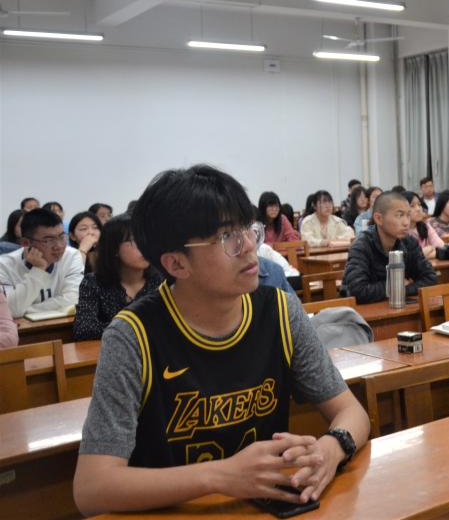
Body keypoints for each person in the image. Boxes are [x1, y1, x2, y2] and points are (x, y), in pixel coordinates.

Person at [72, 165, 370, 515]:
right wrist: (221, 476)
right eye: (227, 237)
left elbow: (351, 412)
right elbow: (92, 487)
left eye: (248, 229)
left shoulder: (279, 310)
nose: (249, 246)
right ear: (176, 264)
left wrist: (331, 449)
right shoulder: (133, 336)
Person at [73, 214, 164, 341]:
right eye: (134, 241)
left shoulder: (160, 281)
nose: (144, 247)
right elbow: (84, 329)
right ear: (114, 248)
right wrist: (138, 327)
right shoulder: (93, 282)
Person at [343, 192, 438, 304]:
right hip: (366, 311)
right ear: (379, 219)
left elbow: (430, 278)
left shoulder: (409, 243)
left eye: (408, 215)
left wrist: (401, 290)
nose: (406, 223)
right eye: (399, 215)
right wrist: (396, 285)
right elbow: (357, 291)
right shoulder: (361, 246)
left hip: (399, 305)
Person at [0, 208, 84, 317]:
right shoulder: (4, 266)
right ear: (25, 243)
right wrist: (39, 270)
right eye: (48, 240)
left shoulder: (72, 256)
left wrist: (26, 309)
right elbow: (11, 310)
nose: (59, 246)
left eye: (62, 237)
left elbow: (73, 299)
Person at [405, 192, 444, 259]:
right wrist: (430, 248)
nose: (418, 209)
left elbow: (441, 246)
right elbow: (408, 257)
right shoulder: (401, 231)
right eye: (412, 206)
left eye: (419, 204)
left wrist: (427, 251)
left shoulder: (425, 226)